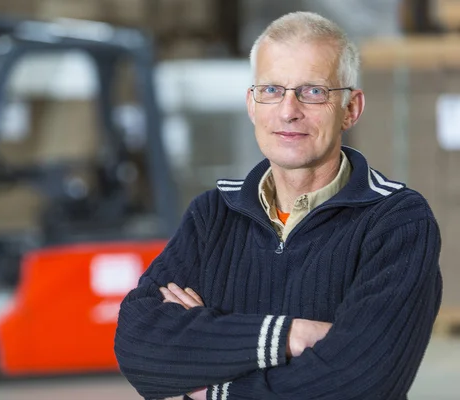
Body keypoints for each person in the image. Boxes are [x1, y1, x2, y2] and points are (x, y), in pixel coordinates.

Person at [114, 11, 442, 400]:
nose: (289, 110)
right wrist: (290, 336)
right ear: (252, 104)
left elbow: (362, 382)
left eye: (313, 91)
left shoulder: (397, 223)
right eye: (271, 90)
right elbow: (139, 347)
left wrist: (216, 389)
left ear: (351, 109)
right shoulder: (212, 215)